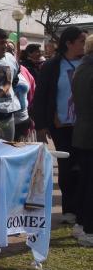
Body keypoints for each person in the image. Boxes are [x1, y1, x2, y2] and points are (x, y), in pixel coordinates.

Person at [34, 26, 88, 225]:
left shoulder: (87, 63)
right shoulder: (52, 65)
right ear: (69, 43)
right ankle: (69, 209)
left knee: (84, 166)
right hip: (61, 124)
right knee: (67, 166)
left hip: (85, 125)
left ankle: (83, 208)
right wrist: (41, 125)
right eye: (81, 41)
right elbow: (41, 97)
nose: (85, 45)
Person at [71, 37, 93, 246]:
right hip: (89, 132)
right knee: (89, 184)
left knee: (86, 182)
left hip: (84, 131)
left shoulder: (83, 66)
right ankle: (88, 229)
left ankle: (81, 223)